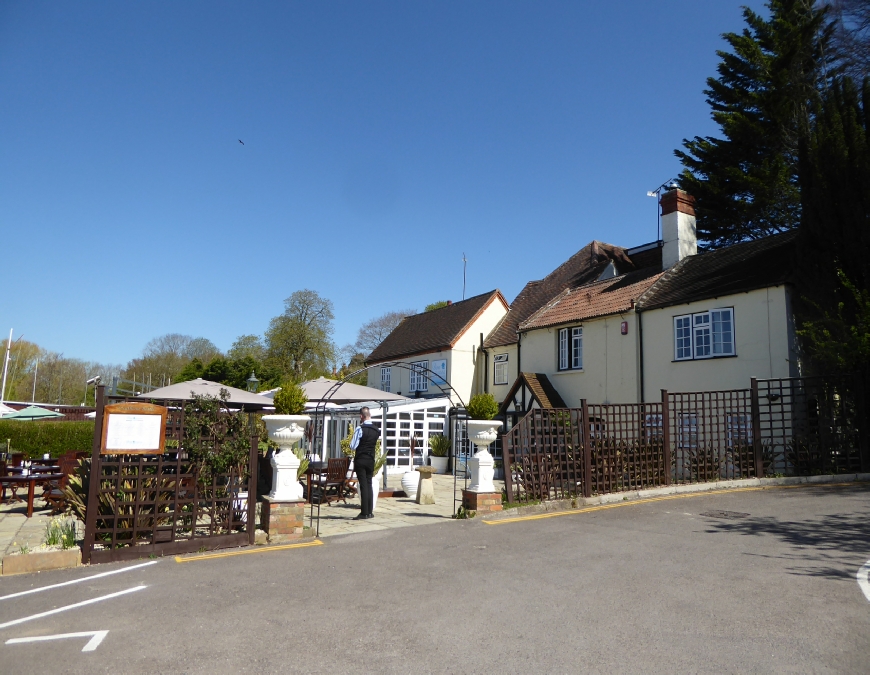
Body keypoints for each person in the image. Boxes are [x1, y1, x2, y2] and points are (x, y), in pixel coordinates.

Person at [350, 407, 380, 520]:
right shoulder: (376, 430)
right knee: (369, 484)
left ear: (361, 416)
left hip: (361, 459)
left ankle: (364, 512)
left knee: (363, 485)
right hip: (371, 459)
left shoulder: (360, 428)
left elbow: (353, 446)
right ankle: (369, 512)